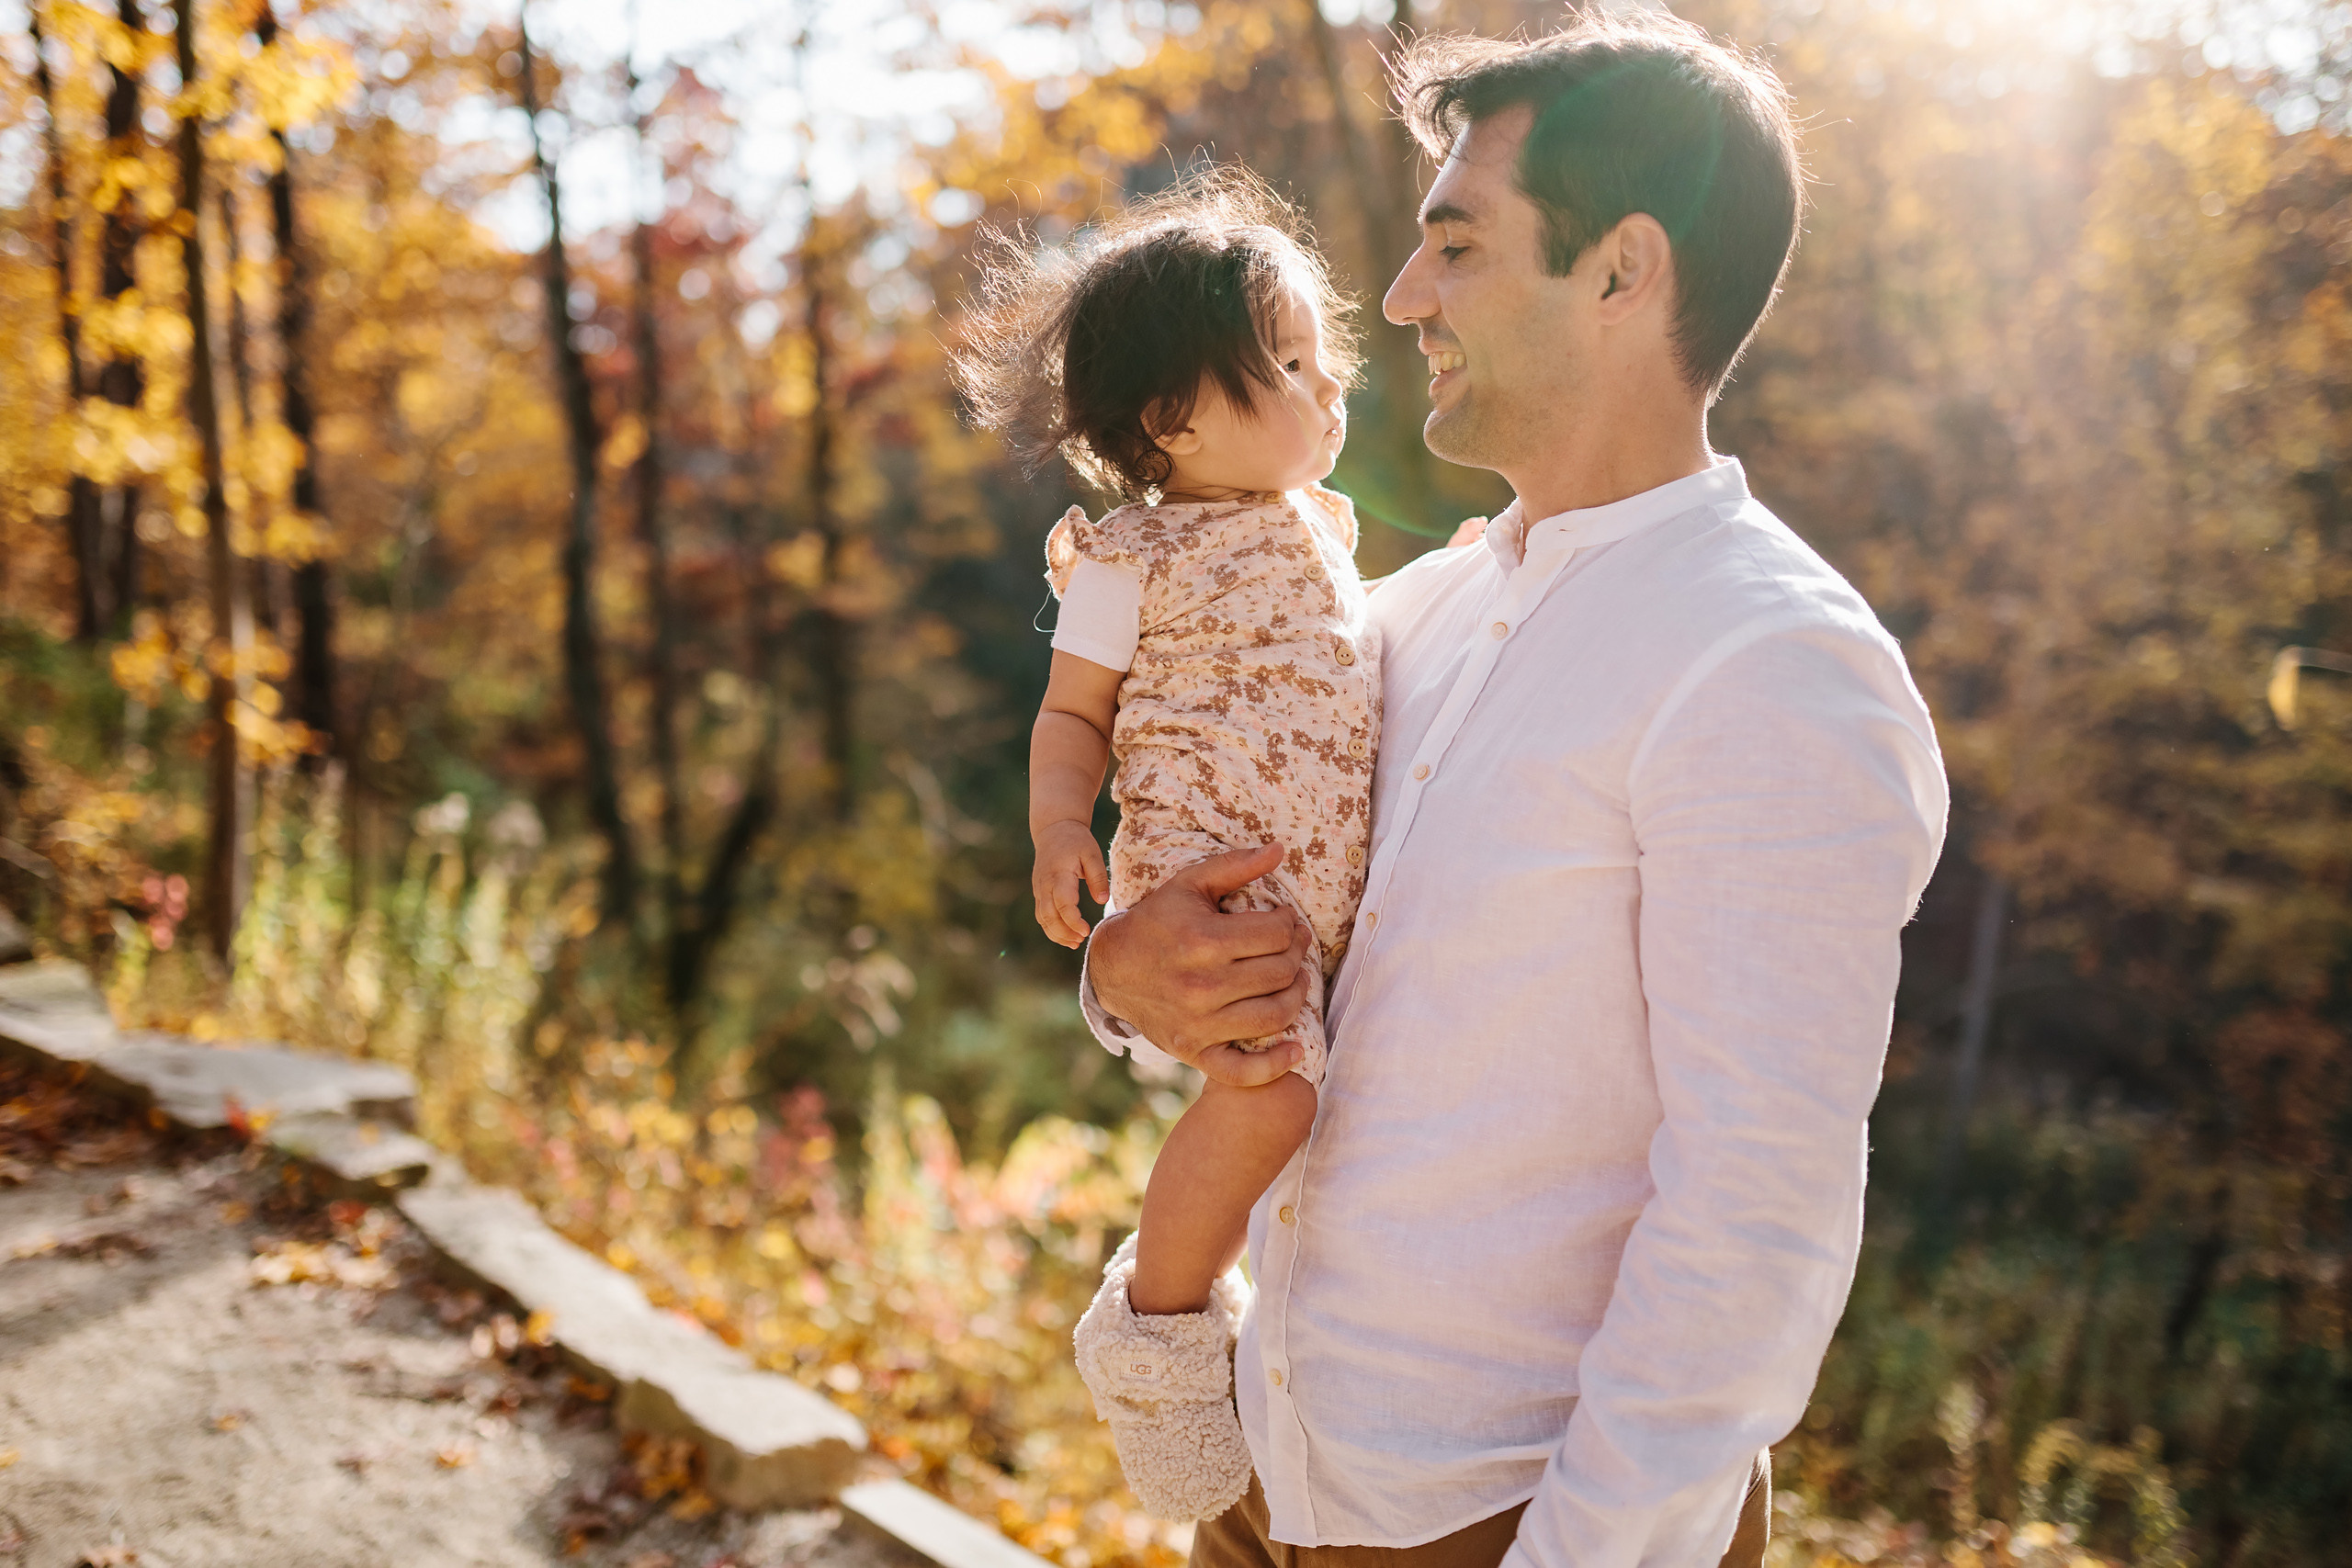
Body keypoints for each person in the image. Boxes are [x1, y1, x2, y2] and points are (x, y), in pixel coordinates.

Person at [1080, 16, 1951, 1568]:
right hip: (1264, 1489)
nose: (1403, 297)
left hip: (1494, 1527)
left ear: (1623, 271)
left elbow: (1753, 1225)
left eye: (1456, 245)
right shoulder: (1394, 616)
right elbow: (1246, 946)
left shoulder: (1770, 664)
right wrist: (1122, 972)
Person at [953, 168, 1382, 1517]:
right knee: (1272, 1098)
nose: (1330, 391)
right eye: (1292, 364)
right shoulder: (1127, 560)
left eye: (1327, 360)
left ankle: (1191, 1313)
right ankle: (1160, 1333)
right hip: (1210, 877)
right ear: (1173, 419)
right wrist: (1055, 831)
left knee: (1285, 1096)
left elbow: (1360, 653)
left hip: (1310, 879)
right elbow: (1072, 714)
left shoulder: (1326, 526)